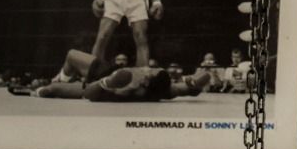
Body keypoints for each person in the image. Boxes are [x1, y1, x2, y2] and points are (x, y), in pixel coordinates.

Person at [26, 48, 212, 101]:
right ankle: (59, 79)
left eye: (149, 73)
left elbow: (89, 94)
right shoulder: (163, 89)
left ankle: (54, 82)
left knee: (52, 87)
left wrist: (108, 83)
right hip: (111, 75)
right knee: (72, 55)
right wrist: (193, 85)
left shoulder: (129, 87)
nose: (146, 69)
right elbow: (180, 90)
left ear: (146, 83)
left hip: (102, 83)